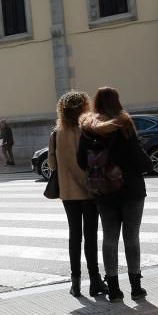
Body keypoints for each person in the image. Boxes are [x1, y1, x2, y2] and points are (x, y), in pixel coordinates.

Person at [76, 87, 151, 302]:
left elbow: (82, 161)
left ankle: (114, 288)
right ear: (117, 101)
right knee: (131, 237)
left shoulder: (88, 128)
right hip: (131, 188)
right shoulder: (124, 123)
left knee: (109, 237)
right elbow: (136, 156)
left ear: (96, 103)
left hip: (104, 190)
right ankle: (136, 287)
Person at [49, 91, 105, 298]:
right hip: (90, 191)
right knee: (91, 236)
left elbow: (52, 163)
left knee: (75, 236)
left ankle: (76, 282)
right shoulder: (88, 130)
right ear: (83, 107)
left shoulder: (56, 133)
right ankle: (95, 280)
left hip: (68, 192)